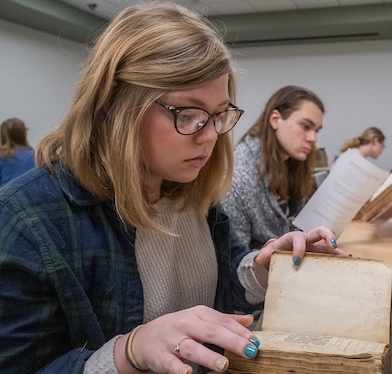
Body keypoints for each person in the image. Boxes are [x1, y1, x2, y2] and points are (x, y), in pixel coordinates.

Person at [0, 4, 347, 374]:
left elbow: (217, 294)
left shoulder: (190, 191)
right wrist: (130, 351)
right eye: (188, 114)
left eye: (218, 115)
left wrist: (265, 268)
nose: (211, 135)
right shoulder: (28, 221)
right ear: (113, 103)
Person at [222, 86, 324, 252]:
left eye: (316, 130)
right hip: (263, 274)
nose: (313, 138)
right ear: (275, 119)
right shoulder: (237, 178)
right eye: (305, 126)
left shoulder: (291, 165)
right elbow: (234, 262)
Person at [0, 117, 35, 187]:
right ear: (24, 134)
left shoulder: (2, 156)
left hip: (5, 196)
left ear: (3, 135)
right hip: (31, 196)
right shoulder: (36, 155)